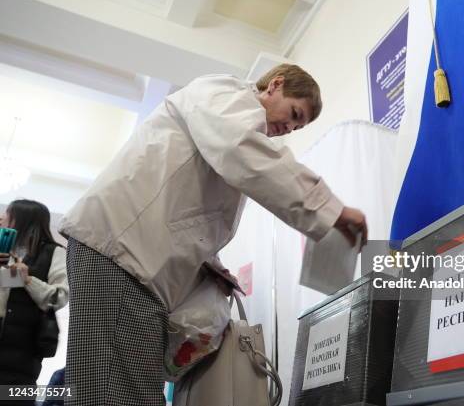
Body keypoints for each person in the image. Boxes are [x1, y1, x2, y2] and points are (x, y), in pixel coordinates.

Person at [59, 63, 368, 406]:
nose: (288, 128)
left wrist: (210, 265)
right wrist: (331, 209)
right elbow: (241, 150)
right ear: (275, 85)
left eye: (297, 127)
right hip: (120, 253)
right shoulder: (225, 94)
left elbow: (190, 212)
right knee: (115, 390)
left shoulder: (229, 121)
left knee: (127, 384)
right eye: (294, 113)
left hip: (131, 258)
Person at [0, 200, 68, 406]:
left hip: (24, 356)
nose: (2, 219)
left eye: (7, 215)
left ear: (22, 220)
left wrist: (28, 278)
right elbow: (9, 290)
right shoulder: (10, 254)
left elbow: (59, 297)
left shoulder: (55, 253)